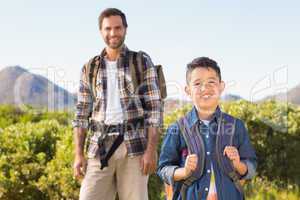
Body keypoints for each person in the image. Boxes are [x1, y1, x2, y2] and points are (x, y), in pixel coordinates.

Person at [72, 8, 163, 200]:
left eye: (117, 28)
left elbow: (154, 110)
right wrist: (78, 154)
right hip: (98, 146)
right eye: (108, 29)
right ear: (101, 31)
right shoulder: (89, 68)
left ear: (125, 29)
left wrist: (151, 150)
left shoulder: (141, 62)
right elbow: (81, 114)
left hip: (135, 147)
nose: (113, 33)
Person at [157, 57, 257, 200]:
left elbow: (251, 167)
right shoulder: (177, 128)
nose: (205, 88)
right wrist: (184, 172)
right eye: (197, 83)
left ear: (221, 86)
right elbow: (163, 169)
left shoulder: (236, 126)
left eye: (211, 82)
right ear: (188, 90)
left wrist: (238, 164)